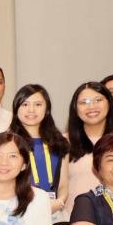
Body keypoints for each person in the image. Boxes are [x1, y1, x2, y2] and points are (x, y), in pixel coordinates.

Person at [12, 84, 69, 216]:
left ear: (46, 108)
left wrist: (59, 202)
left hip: (55, 211)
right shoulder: (8, 142)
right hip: (20, 211)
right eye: (25, 104)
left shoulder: (60, 142)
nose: (31, 110)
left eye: (38, 104)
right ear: (16, 108)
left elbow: (64, 184)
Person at [65, 81, 113, 208]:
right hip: (74, 220)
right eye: (83, 102)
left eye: (98, 100)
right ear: (75, 108)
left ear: (109, 103)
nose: (91, 106)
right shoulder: (62, 142)